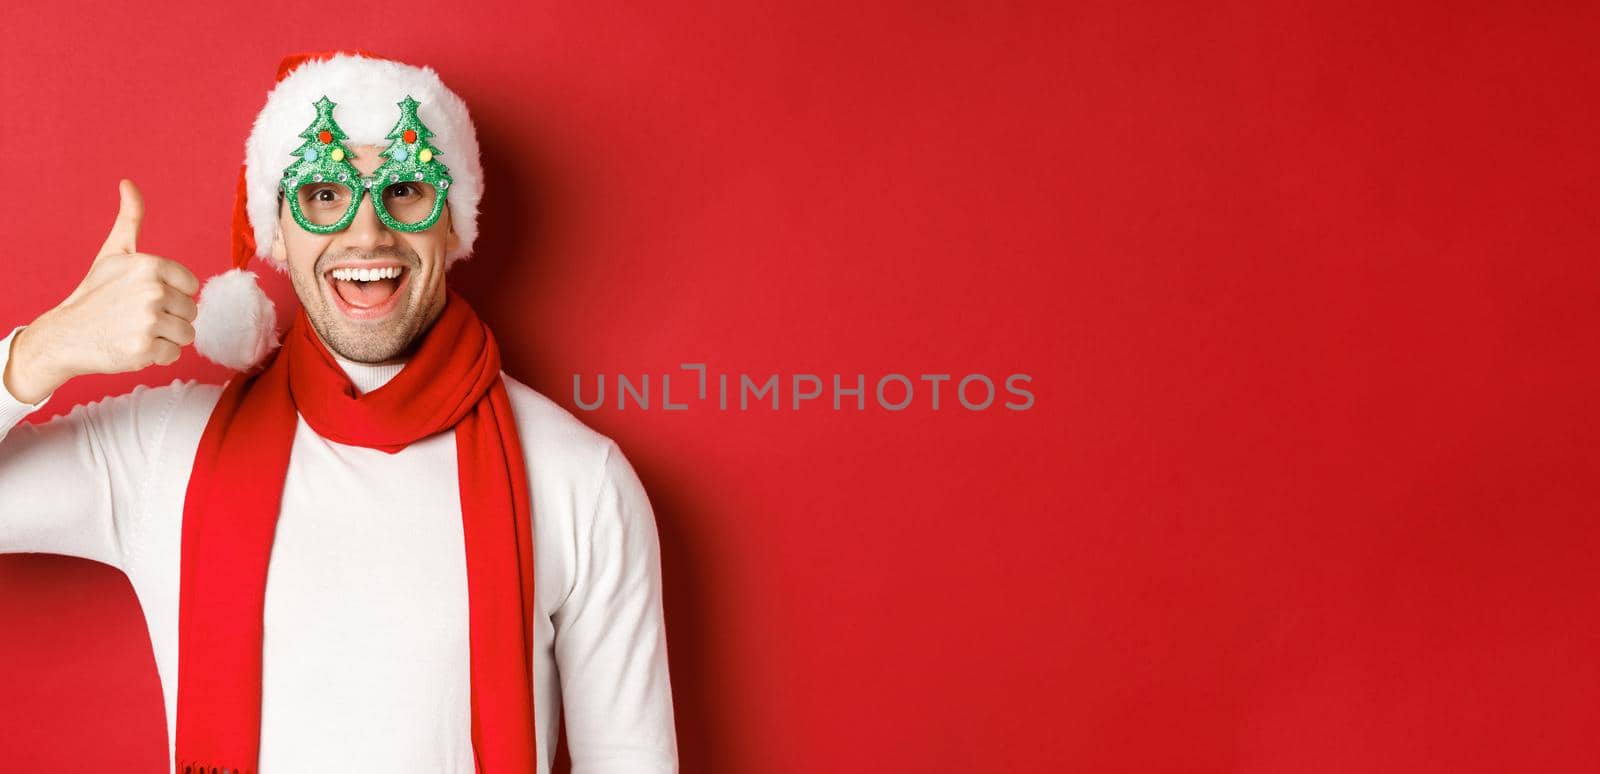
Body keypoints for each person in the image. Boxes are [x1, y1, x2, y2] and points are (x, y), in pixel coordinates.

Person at [0, 51, 678, 774]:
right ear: (277, 235)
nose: (366, 234)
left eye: (407, 188)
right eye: (324, 193)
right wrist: (38, 356)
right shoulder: (164, 451)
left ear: (453, 223)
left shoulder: (581, 481)